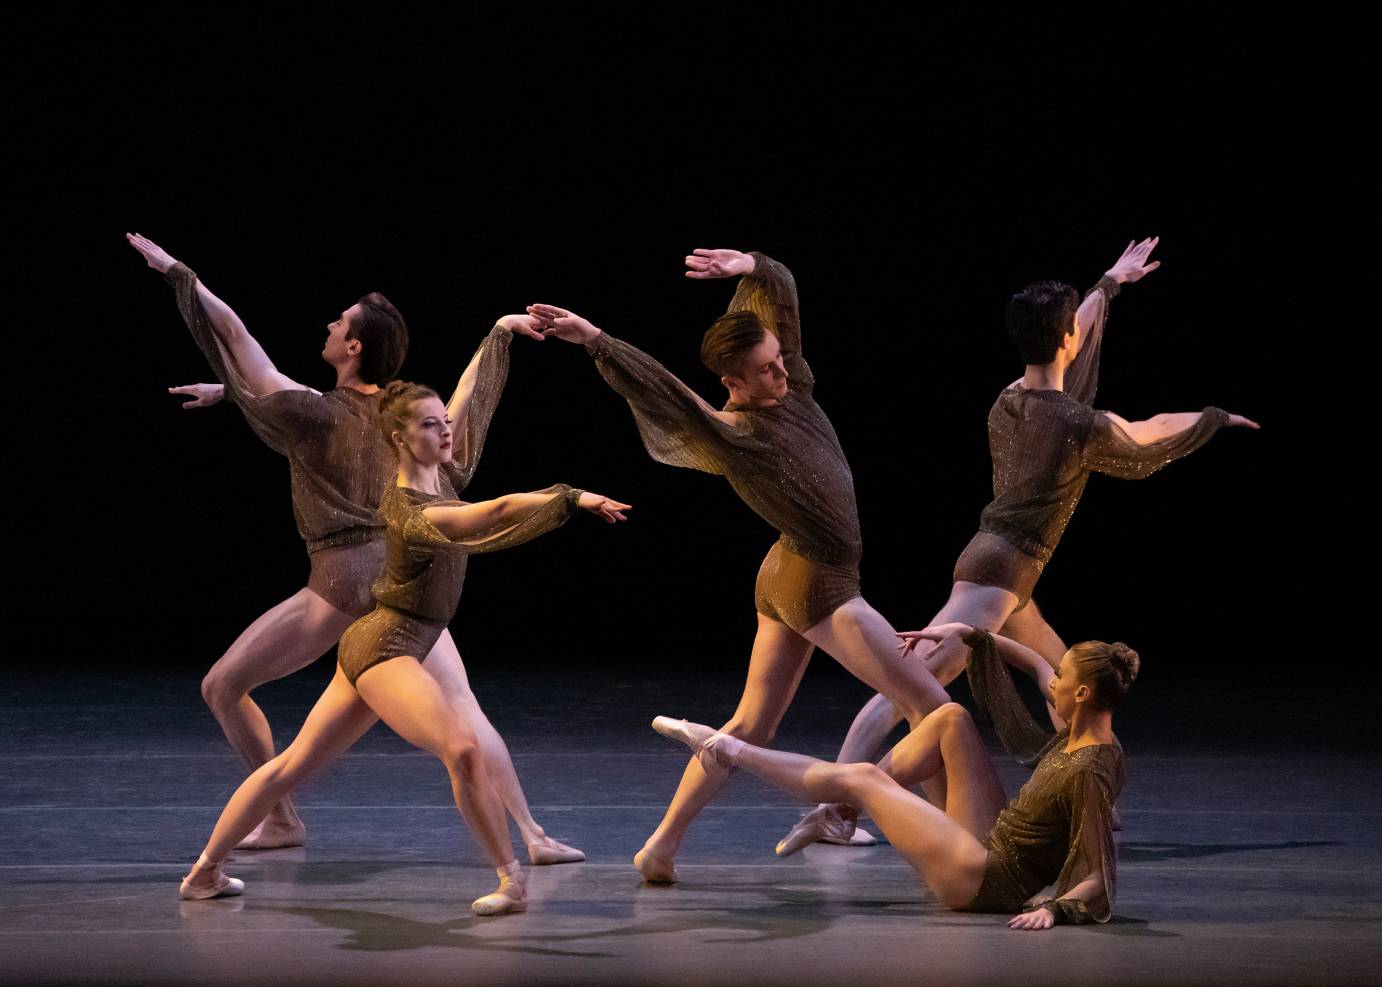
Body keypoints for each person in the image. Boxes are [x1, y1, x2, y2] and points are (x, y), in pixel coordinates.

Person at [778, 239, 1257, 853]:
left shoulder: (1009, 398)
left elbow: (1067, 348)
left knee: (1065, 677)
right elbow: (1146, 432)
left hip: (1007, 572)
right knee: (906, 687)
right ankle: (833, 807)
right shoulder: (1078, 425)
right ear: (1064, 342)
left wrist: (1109, 284)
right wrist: (1213, 419)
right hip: (998, 572)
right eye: (1071, 332)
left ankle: (1087, 795)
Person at [127, 234, 583, 864]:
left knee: (223, 685)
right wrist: (499, 334)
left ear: (354, 347)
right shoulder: (406, 420)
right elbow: (464, 403)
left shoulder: (317, 413)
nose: (330, 325)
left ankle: (280, 817)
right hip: (413, 574)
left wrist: (179, 274)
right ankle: (533, 836)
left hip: (344, 580)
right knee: (463, 706)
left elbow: (235, 337)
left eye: (338, 323)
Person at [528, 248, 955, 883]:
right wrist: (596, 340)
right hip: (819, 585)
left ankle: (661, 846)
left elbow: (784, 294)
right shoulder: (737, 435)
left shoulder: (798, 386)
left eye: (780, 361)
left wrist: (752, 267)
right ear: (733, 382)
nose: (781, 373)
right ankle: (956, 837)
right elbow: (666, 393)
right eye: (766, 370)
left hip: (786, 573)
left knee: (750, 724)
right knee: (934, 710)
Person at [178, 381, 631, 914]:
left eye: (444, 422)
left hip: (386, 643)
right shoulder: (411, 511)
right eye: (428, 425)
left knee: (291, 766)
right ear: (398, 439)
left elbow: (469, 402)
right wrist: (573, 497)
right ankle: (510, 882)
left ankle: (203, 872)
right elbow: (502, 509)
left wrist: (501, 333)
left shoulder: (441, 483)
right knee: (460, 748)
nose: (444, 431)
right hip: (387, 647)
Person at [653, 626, 1137, 929]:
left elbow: (1099, 872)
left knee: (863, 776)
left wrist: (1053, 909)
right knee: (950, 718)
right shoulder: (1080, 723)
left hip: (984, 881)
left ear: (1082, 694)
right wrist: (965, 632)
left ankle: (728, 749)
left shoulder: (1091, 768)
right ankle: (839, 814)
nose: (1051, 681)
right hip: (995, 841)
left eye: (1062, 678)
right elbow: (1033, 662)